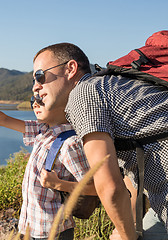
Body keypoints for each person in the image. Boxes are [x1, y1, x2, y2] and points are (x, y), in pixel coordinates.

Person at [32, 41, 168, 240]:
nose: (36, 86)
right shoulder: (113, 86)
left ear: (71, 69)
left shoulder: (82, 94)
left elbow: (110, 187)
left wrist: (128, 237)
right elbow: (133, 163)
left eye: (40, 75)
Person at [0, 96, 96, 240]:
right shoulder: (41, 131)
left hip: (53, 231)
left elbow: (96, 188)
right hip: (29, 227)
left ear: (65, 105)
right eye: (33, 100)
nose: (35, 104)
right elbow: (3, 119)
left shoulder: (70, 143)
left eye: (41, 100)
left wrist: (59, 184)